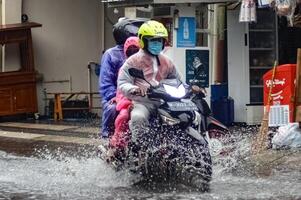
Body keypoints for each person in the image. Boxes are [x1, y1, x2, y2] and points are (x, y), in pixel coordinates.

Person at [117, 20, 182, 145]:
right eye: (153, 40)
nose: (157, 43)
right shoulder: (133, 61)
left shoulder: (167, 61)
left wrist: (190, 88)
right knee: (138, 117)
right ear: (143, 41)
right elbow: (123, 82)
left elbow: (177, 80)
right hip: (143, 102)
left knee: (188, 115)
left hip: (164, 102)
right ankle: (139, 150)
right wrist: (134, 89)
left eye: (159, 40)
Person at [99, 18, 145, 138]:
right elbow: (106, 82)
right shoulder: (111, 54)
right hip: (118, 96)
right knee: (112, 109)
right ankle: (108, 137)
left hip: (142, 96)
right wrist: (114, 96)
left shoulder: (146, 54)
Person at [109, 36, 140, 150]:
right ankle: (118, 143)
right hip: (129, 102)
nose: (133, 54)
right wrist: (128, 104)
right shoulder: (124, 69)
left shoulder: (149, 65)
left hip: (147, 101)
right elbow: (121, 90)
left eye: (136, 50)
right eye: (130, 51)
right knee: (123, 116)